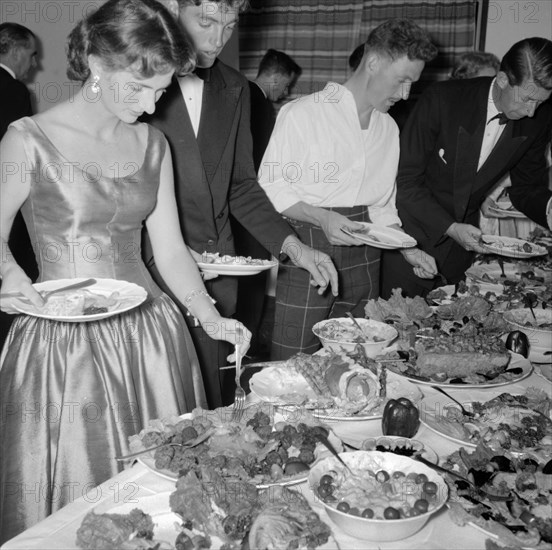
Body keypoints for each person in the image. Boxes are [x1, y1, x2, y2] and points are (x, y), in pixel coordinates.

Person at [0, 0, 250, 542]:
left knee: (163, 492)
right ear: (95, 63)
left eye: (159, 90)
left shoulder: (152, 144)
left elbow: (170, 249)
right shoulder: (26, 139)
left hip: (153, 336)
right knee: (80, 495)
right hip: (63, 343)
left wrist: (209, 316)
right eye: (137, 88)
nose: (150, 102)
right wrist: (7, 274)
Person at [143, 0, 338, 408]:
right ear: (174, 10)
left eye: (229, 26)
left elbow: (241, 187)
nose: (217, 39)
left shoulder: (236, 89)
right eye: (206, 21)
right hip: (150, 279)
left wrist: (293, 246)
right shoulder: (134, 81)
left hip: (218, 281)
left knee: (214, 402)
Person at [258, 19, 438, 360]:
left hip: (367, 259)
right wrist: (321, 217)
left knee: (355, 362)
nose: (405, 95)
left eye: (412, 84)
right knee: (294, 362)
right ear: (372, 63)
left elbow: (382, 206)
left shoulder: (388, 128)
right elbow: (269, 187)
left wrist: (407, 248)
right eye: (401, 81)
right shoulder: (302, 114)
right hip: (309, 252)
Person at [380, 37, 552, 299]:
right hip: (409, 240)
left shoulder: (538, 119)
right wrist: (450, 227)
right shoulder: (442, 99)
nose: (531, 112)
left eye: (540, 102)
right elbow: (404, 180)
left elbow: (527, 187)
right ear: (503, 79)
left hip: (460, 251)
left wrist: (550, 209)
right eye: (527, 99)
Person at [233, 48, 301, 359]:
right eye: (285, 85)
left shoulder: (238, 92)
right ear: (273, 76)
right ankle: (246, 348)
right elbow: (258, 166)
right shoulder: (258, 103)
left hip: (236, 207)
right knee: (253, 282)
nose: (285, 92)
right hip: (251, 205)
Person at [0, 23, 40, 354]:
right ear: (14, 51)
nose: (35, 64)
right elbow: (23, 161)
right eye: (31, 55)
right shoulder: (13, 92)